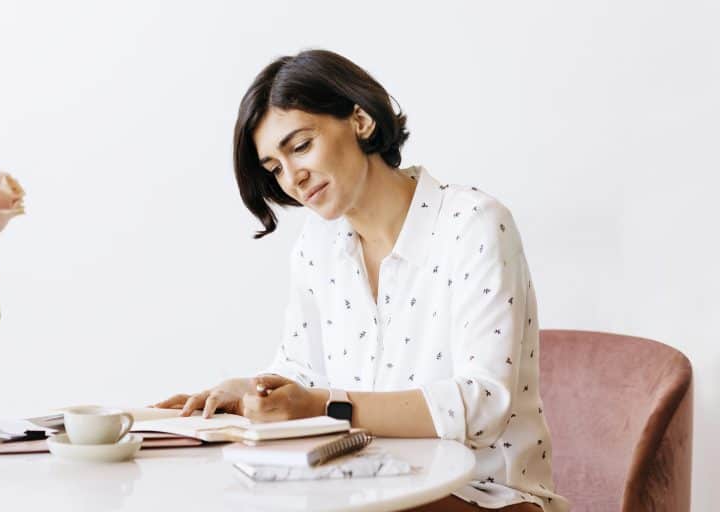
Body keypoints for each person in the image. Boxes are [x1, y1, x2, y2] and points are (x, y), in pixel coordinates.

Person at [151, 49, 570, 512]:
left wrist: (323, 405)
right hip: (365, 487)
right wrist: (252, 391)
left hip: (488, 496)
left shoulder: (473, 223)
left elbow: (483, 404)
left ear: (361, 121)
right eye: (274, 167)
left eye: (300, 146)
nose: (292, 178)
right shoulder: (317, 246)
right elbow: (303, 373)